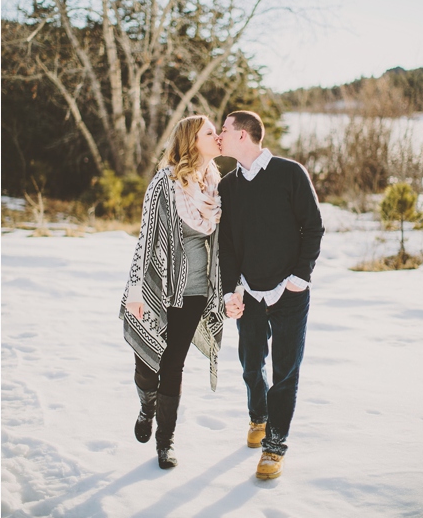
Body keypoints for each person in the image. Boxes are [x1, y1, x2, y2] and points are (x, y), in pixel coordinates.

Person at [218, 110, 324, 480]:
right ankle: (258, 417)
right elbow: (226, 245)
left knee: (285, 371)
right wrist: (231, 290)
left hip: (290, 292)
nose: (219, 136)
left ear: (244, 136)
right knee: (250, 363)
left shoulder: (289, 173)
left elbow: (313, 226)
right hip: (248, 293)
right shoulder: (227, 187)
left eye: (225, 130)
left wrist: (299, 277)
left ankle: (275, 446)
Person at [120, 115, 226, 469]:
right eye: (211, 133)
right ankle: (145, 405)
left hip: (195, 289)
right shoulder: (164, 184)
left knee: (174, 364)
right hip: (155, 287)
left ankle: (165, 442)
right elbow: (146, 237)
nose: (218, 137)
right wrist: (136, 289)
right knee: (146, 361)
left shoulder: (215, 184)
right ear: (193, 141)